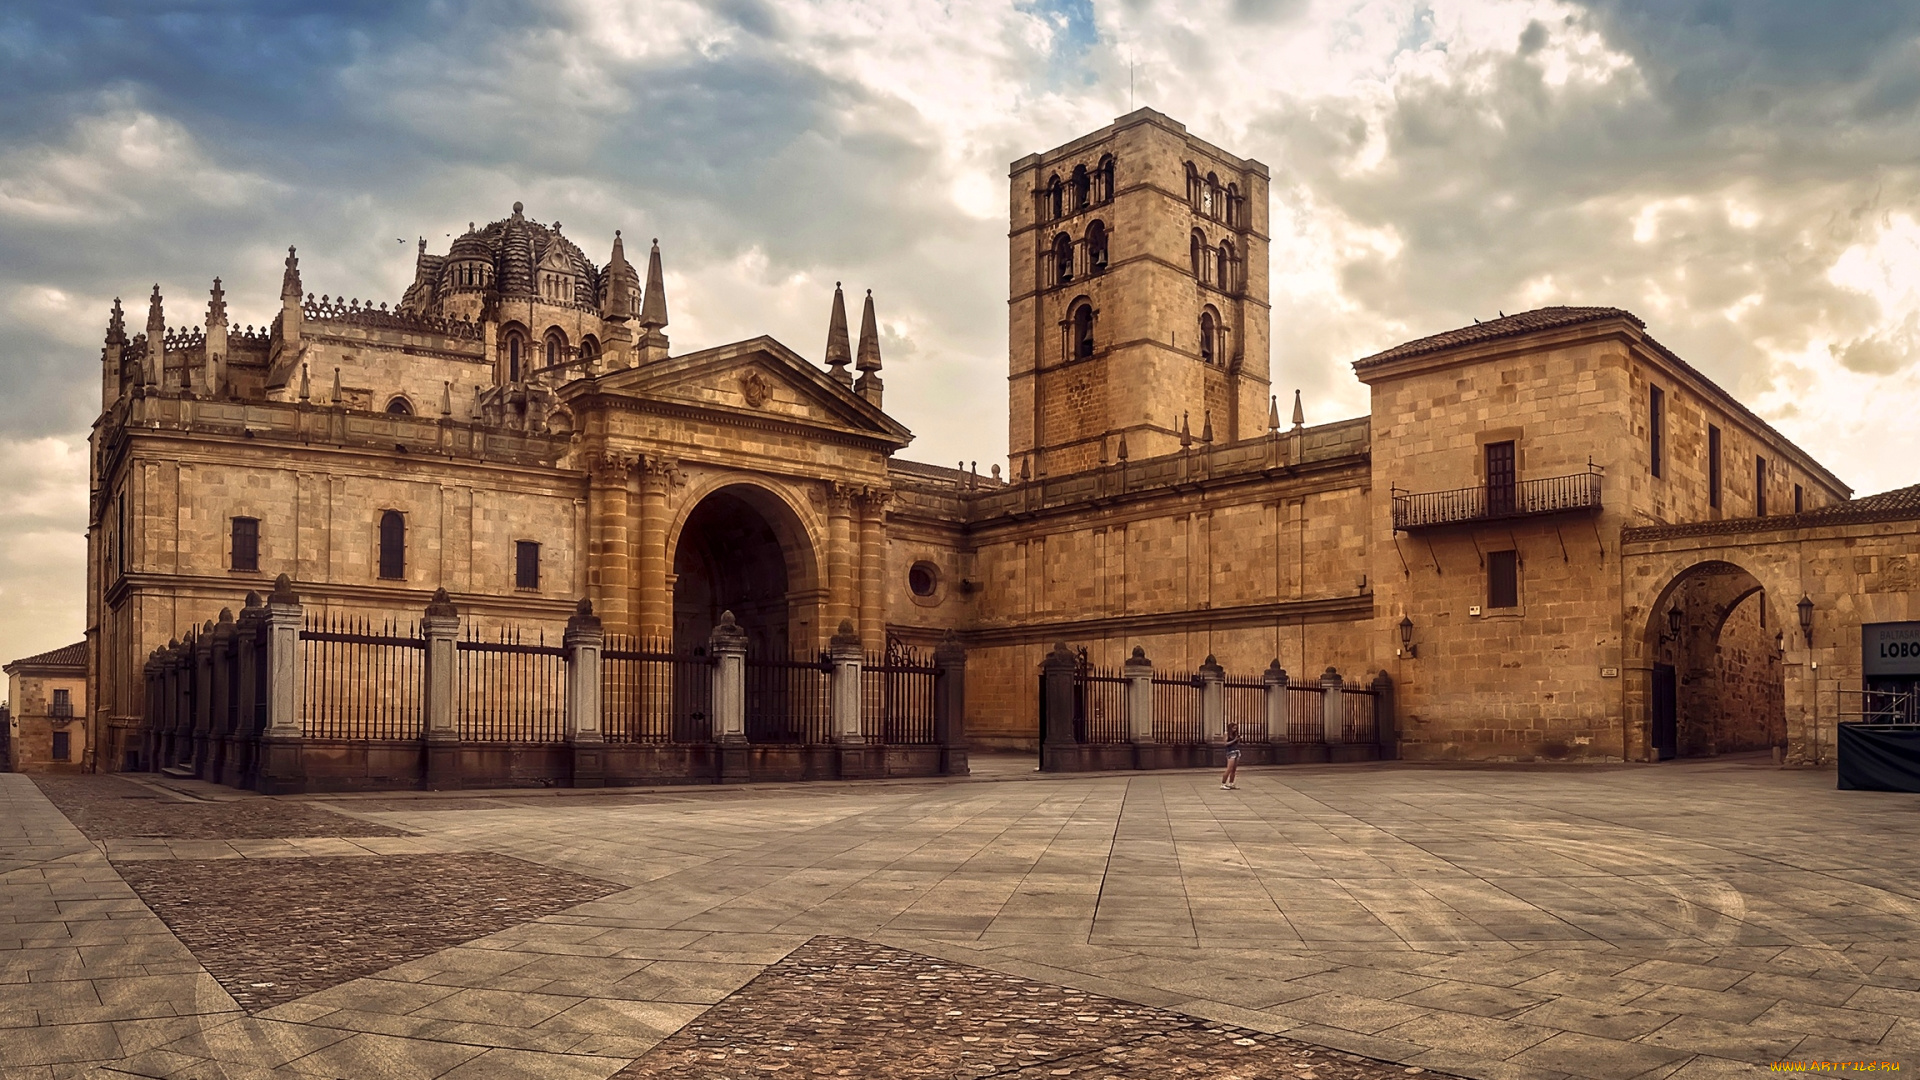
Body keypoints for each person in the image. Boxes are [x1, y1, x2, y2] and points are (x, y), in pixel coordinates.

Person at [1220, 721, 1241, 789]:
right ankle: (1223, 783)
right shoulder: (1226, 734)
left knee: (1234, 769)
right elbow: (1225, 744)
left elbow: (1237, 744)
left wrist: (1238, 739)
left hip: (1236, 751)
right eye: (1233, 728)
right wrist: (1234, 740)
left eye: (1236, 728)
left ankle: (1231, 783)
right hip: (1230, 752)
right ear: (1230, 728)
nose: (1234, 730)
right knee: (1229, 769)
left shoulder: (1235, 734)